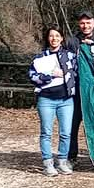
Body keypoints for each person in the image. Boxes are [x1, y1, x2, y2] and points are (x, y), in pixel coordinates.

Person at [28, 25, 78, 176]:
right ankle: (47, 163)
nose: (54, 39)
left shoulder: (71, 56)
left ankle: (62, 161)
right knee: (46, 132)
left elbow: (77, 72)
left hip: (66, 100)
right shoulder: (40, 58)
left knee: (66, 133)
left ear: (62, 38)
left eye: (57, 36)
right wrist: (49, 75)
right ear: (47, 38)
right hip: (46, 100)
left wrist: (66, 73)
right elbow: (32, 75)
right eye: (51, 36)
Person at [67, 10, 94, 163]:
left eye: (88, 22)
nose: (85, 26)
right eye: (82, 23)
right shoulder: (71, 42)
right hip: (75, 91)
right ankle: (70, 156)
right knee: (72, 125)